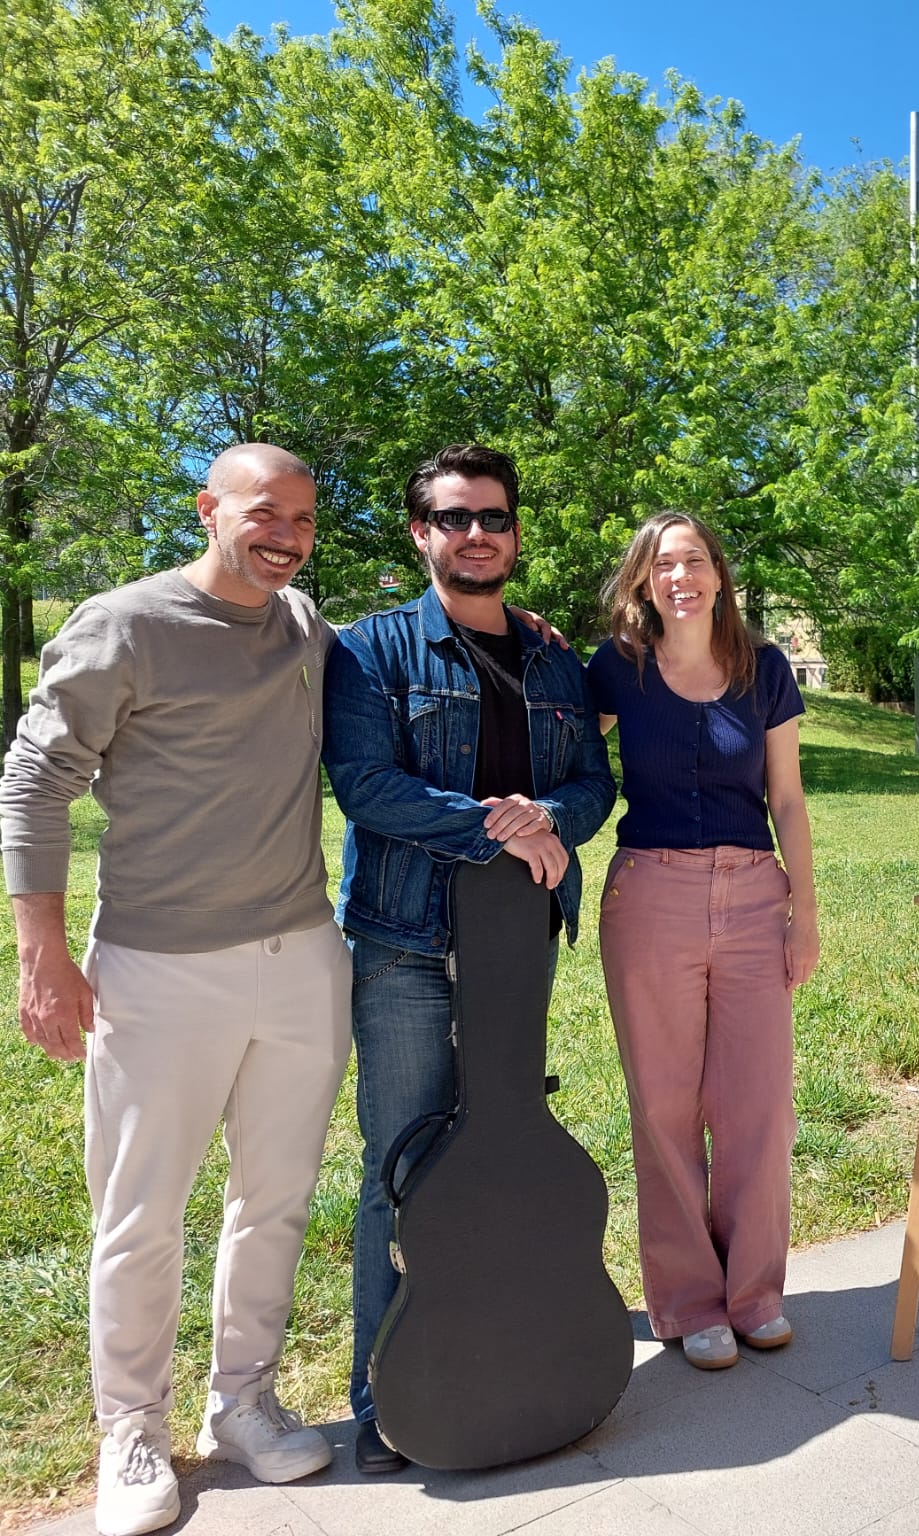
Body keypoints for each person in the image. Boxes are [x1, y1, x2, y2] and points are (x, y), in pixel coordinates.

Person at [2, 445, 347, 1536]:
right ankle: (131, 1431)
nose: (285, 535)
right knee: (140, 1213)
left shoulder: (304, 629)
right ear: (209, 509)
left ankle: (242, 1402)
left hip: (302, 956)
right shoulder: (124, 625)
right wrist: (41, 955)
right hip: (158, 967)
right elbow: (34, 779)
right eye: (264, 512)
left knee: (276, 1197)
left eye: (303, 519)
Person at [322, 443, 615, 1475]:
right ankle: (384, 1399)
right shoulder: (370, 650)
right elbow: (366, 786)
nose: (475, 533)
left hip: (517, 947)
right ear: (421, 533)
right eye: (454, 518)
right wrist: (503, 829)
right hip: (404, 941)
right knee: (403, 1166)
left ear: (515, 532)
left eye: (492, 516)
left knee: (504, 1149)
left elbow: (594, 782)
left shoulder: (553, 660)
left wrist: (552, 817)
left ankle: (506, 1357)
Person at [586, 512, 818, 1371]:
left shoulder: (765, 670)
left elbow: (786, 798)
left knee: (759, 1106)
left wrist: (805, 910)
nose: (678, 577)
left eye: (692, 561)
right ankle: (688, 1303)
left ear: (719, 575)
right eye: (661, 565)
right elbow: (564, 753)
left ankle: (754, 1294)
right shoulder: (616, 668)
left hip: (754, 897)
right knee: (664, 1107)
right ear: (643, 583)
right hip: (651, 896)